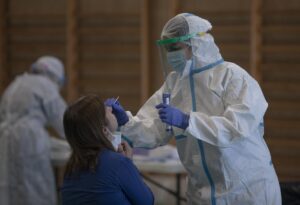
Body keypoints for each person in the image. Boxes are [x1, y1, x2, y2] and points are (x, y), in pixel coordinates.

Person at [105, 13, 281, 205]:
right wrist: (125, 122)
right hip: (201, 194)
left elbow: (237, 126)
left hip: (246, 191)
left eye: (175, 48)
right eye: (168, 49)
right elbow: (155, 130)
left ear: (196, 44)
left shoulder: (233, 77)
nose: (171, 55)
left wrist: (187, 121)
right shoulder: (174, 85)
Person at [61, 94, 154, 205]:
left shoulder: (71, 167)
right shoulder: (118, 163)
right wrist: (129, 164)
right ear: (104, 130)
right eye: (106, 110)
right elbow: (147, 201)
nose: (110, 108)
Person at [0, 56, 67, 205]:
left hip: (5, 141)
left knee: (9, 189)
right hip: (29, 141)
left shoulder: (16, 84)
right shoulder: (45, 86)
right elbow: (65, 122)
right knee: (35, 187)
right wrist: (84, 137)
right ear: (56, 76)